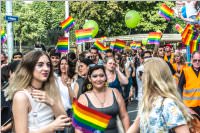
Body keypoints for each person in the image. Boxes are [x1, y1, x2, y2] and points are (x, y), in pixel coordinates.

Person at [5, 50, 71, 132]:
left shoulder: (52, 88)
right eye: (40, 65)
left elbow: (66, 122)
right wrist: (52, 127)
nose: (46, 68)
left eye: (48, 65)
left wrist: (52, 103)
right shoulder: (21, 96)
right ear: (29, 68)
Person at [127, 57, 191, 133]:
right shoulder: (147, 101)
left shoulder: (167, 104)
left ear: (152, 77)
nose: (140, 77)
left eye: (142, 73)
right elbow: (135, 125)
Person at [76, 65, 130, 133]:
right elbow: (79, 128)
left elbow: (124, 116)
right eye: (95, 76)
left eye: (101, 75)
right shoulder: (83, 98)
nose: (99, 79)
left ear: (105, 77)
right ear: (90, 78)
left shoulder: (115, 92)